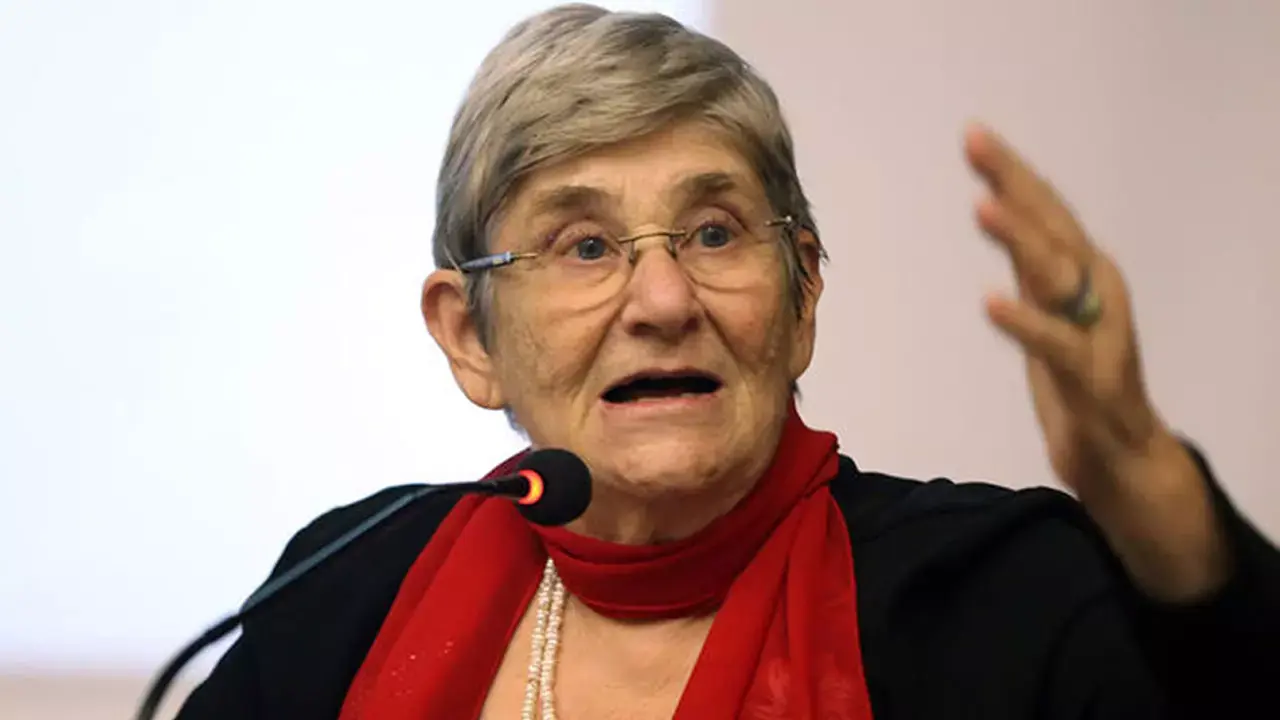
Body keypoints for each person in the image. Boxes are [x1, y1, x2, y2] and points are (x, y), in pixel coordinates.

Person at [175, 5, 1279, 719]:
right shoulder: (345, 594)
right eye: (585, 245)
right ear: (470, 337)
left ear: (802, 294)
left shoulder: (995, 601)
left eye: (713, 232)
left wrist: (1148, 486)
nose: (664, 301)